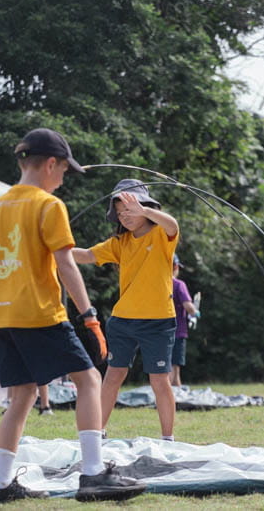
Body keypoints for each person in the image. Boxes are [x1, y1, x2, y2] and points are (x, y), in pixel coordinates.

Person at [0, 128, 145, 504]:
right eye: (63, 171)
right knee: (88, 378)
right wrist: (88, 315)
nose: (63, 179)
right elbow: (67, 265)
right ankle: (92, 475)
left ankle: (0, 485)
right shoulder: (49, 206)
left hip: (3, 318)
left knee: (20, 395)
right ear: (50, 164)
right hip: (40, 313)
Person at [72, 179, 179, 441]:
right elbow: (86, 255)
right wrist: (53, 251)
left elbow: (172, 225)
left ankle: (168, 439)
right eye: (121, 213)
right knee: (113, 376)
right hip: (122, 322)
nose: (126, 217)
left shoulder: (161, 235)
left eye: (130, 210)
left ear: (145, 206)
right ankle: (98, 432)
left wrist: (145, 211)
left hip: (159, 322)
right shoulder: (120, 242)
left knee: (159, 381)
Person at [170, 254, 198, 387]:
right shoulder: (179, 285)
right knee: (174, 368)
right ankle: (170, 400)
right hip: (177, 332)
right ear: (175, 267)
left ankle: (174, 398)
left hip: (159, 332)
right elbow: (188, 306)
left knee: (165, 367)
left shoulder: (156, 283)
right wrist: (195, 312)